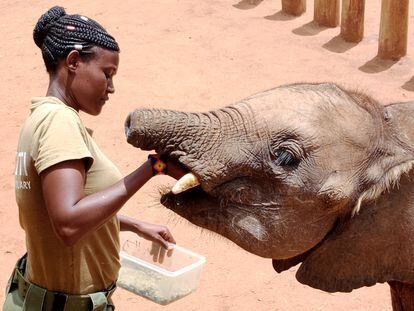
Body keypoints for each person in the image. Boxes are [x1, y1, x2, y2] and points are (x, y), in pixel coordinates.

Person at [3, 6, 185, 311]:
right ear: (74, 62)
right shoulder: (59, 123)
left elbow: (50, 212)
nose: (111, 88)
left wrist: (131, 224)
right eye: (107, 74)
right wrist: (153, 168)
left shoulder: (40, 116)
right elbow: (68, 224)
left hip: (42, 297)